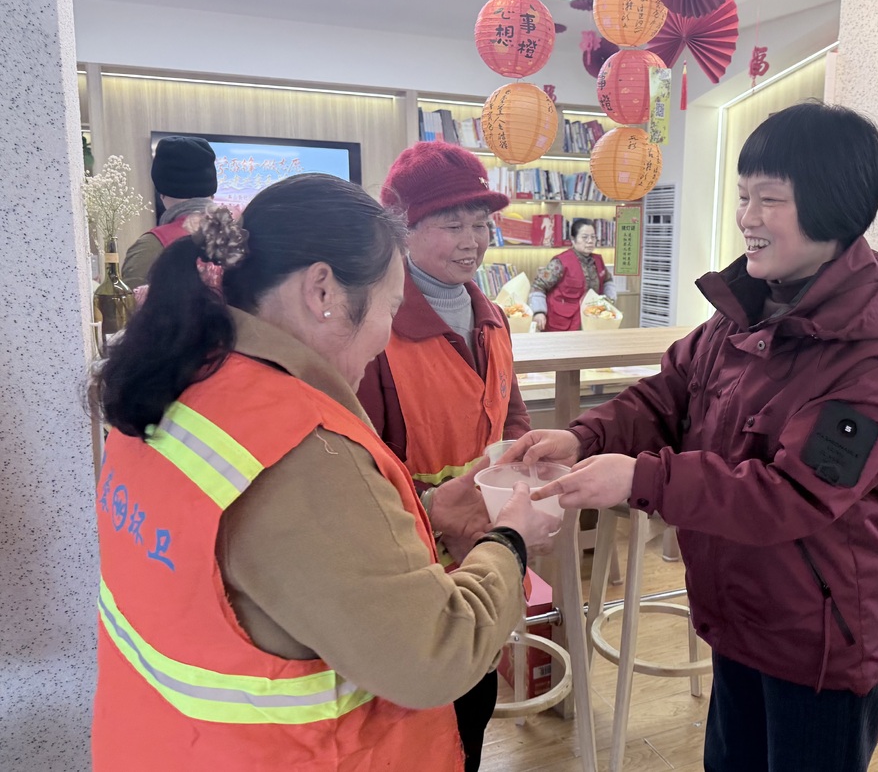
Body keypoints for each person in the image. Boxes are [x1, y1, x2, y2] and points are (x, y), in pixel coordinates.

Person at [507, 103, 878, 772]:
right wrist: (584, 437)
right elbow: (669, 393)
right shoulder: (750, 307)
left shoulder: (874, 352)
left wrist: (642, 478)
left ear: (834, 208)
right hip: (739, 614)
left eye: (770, 199)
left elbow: (791, 496)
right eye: (742, 195)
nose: (746, 218)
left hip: (819, 640)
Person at [90, 173, 559, 771]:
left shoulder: (176, 379)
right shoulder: (300, 445)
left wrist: (429, 512)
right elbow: (434, 655)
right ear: (321, 291)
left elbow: (279, 562)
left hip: (159, 743)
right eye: (390, 308)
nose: (386, 337)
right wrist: (510, 543)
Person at [358, 140, 531, 772]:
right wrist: (441, 512)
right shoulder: (376, 330)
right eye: (452, 224)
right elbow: (363, 461)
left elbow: (510, 412)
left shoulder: (492, 317)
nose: (472, 241)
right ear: (404, 230)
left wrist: (522, 468)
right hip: (413, 563)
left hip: (484, 551)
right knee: (428, 724)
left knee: (475, 700)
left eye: (480, 223)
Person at [121, 135, 218, 288]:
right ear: (212, 193)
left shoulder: (151, 247)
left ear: (162, 193)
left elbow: (131, 301)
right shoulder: (243, 237)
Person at [529, 218, 617, 331]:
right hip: (562, 323)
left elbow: (607, 280)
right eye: (585, 237)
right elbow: (538, 286)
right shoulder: (560, 262)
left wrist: (609, 301)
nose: (590, 241)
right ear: (573, 240)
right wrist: (539, 312)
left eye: (593, 237)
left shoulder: (598, 261)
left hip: (591, 322)